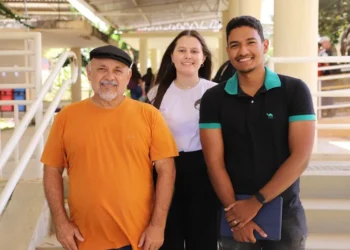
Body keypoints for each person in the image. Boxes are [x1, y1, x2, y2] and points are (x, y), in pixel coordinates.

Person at [41, 45, 178, 250]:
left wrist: (157, 226)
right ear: (89, 73)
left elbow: (167, 170)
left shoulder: (149, 115)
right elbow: (52, 169)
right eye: (101, 69)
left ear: (128, 76)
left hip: (137, 238)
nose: (109, 77)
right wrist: (60, 223)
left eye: (118, 70)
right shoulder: (66, 117)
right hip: (84, 239)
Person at [199, 16, 315, 250]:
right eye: (234, 45)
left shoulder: (294, 91)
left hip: (285, 214)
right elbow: (214, 163)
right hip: (234, 215)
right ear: (228, 51)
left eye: (250, 42)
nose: (243, 51)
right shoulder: (213, 99)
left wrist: (256, 202)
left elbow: (300, 157)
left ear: (264, 45)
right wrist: (236, 215)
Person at [147, 30, 218, 250]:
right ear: (172, 56)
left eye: (194, 51)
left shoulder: (215, 93)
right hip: (165, 170)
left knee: (203, 240)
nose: (188, 56)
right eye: (182, 50)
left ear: (203, 58)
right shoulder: (156, 93)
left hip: (204, 171)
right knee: (169, 239)